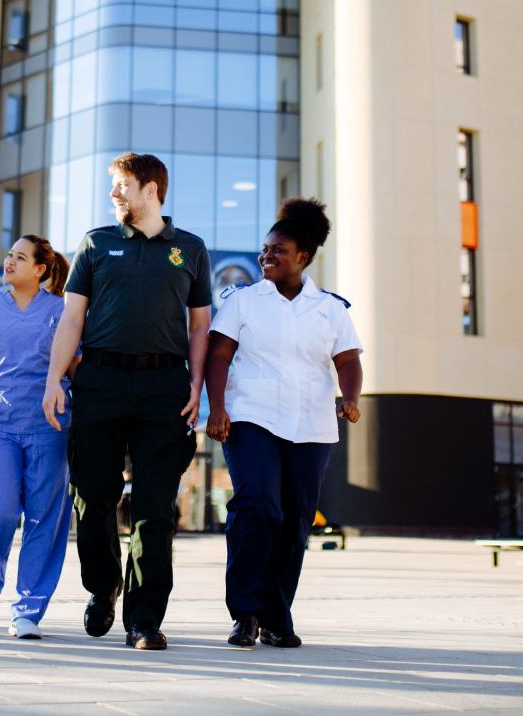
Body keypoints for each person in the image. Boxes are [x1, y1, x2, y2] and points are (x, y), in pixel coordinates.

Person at [43, 153, 212, 651]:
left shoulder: (190, 249)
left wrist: (196, 387)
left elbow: (199, 325)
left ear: (151, 190)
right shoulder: (96, 243)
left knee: (154, 509)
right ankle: (103, 588)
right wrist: (55, 378)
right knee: (92, 499)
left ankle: (144, 619)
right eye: (113, 185)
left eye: (122, 185)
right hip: (100, 382)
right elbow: (72, 318)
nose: (113, 194)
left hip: (164, 389)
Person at [204, 198, 363, 649]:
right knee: (258, 506)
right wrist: (217, 407)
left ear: (304, 257)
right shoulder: (243, 302)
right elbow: (219, 355)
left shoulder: (330, 308)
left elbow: (347, 360)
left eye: (277, 250)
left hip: (311, 425)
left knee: (294, 520)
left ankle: (277, 616)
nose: (266, 257)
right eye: (264, 249)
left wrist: (350, 397)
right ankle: (245, 614)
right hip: (252, 415)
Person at [0, 235, 75, 640]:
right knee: (2, 506)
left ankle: (27, 611)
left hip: (50, 426)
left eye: (19, 257)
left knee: (44, 517)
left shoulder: (63, 311)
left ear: (40, 270)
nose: (9, 261)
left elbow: (76, 366)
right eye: (8, 254)